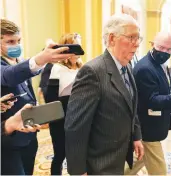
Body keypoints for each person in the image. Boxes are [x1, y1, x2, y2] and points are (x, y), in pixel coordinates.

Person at [64, 14, 144, 175]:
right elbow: (76, 126)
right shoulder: (92, 72)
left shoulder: (126, 66)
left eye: (138, 38)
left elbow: (130, 105)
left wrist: (136, 136)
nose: (136, 44)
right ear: (112, 38)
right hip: (100, 162)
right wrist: (78, 171)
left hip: (120, 155)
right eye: (131, 38)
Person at [1, 18, 74, 175]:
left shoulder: (18, 60)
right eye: (10, 41)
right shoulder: (5, 67)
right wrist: (41, 58)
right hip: (7, 140)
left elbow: (27, 78)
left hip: (28, 135)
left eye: (18, 40)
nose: (16, 45)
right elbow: (9, 76)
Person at [128, 32, 171, 175]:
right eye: (161, 47)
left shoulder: (159, 64)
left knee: (135, 163)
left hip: (152, 127)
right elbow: (150, 100)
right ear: (152, 44)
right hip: (147, 128)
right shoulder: (145, 67)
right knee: (160, 172)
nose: (165, 52)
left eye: (169, 49)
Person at [44, 33, 83, 175]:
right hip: (60, 118)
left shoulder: (81, 67)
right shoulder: (57, 68)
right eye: (76, 46)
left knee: (77, 154)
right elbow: (50, 98)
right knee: (60, 154)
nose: (79, 51)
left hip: (78, 117)